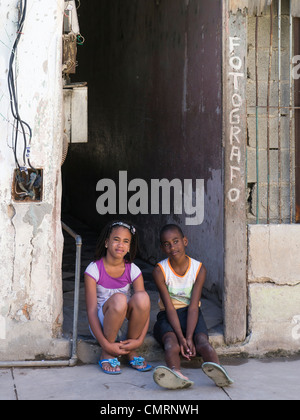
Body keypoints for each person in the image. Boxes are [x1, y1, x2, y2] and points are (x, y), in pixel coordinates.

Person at [152, 224, 233, 389]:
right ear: (162, 248)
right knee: (171, 344)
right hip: (168, 316)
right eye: (167, 244)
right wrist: (182, 339)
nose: (172, 247)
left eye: (176, 241)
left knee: (202, 342)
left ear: (185, 241)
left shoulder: (198, 269)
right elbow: (169, 307)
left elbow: (194, 306)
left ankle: (218, 371)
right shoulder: (160, 271)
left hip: (192, 313)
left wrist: (189, 337)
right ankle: (175, 373)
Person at [84, 220, 152, 375]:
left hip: (126, 324)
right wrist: (105, 345)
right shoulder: (94, 269)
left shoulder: (133, 270)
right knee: (120, 299)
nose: (120, 245)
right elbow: (91, 312)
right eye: (116, 239)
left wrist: (139, 341)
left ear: (129, 247)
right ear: (107, 242)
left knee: (142, 297)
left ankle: (130, 351)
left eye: (125, 241)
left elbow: (145, 308)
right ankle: (107, 353)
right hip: (102, 324)